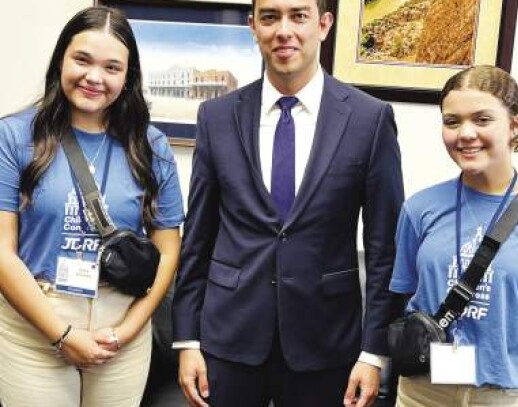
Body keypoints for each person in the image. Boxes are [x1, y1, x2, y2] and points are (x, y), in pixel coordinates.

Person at [171, 0, 404, 405]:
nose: (284, 30)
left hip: (326, 341)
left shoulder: (370, 119)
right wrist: (187, 338)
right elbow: (198, 236)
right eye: (269, 17)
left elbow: (386, 250)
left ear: (324, 24)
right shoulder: (217, 116)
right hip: (228, 339)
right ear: (252, 27)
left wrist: (374, 351)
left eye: (298, 16)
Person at [0, 6, 184, 407]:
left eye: (112, 67)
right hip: (35, 325)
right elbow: (1, 252)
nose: (94, 77)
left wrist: (128, 329)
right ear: (61, 60)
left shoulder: (152, 147)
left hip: (120, 328)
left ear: (128, 77)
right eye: (82, 59)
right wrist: (61, 334)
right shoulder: (12, 137)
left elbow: (169, 250)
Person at [390, 65, 518, 406]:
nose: (465, 133)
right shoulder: (420, 208)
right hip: (422, 393)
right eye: (452, 121)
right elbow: (401, 299)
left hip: (511, 395)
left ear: (515, 125)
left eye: (482, 119)